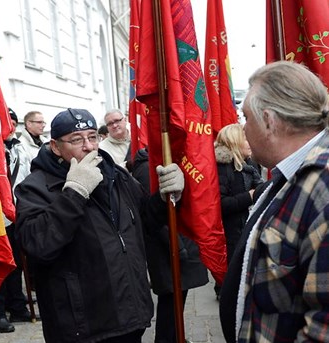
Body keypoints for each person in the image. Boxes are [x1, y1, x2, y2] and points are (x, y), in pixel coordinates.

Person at [15, 108, 185, 342]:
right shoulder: (36, 187)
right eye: (76, 140)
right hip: (83, 327)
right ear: (55, 146)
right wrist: (75, 192)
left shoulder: (116, 175)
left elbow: (145, 220)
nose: (88, 146)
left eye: (93, 136)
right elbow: (37, 244)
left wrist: (166, 198)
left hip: (130, 314)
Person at [219, 61, 329, 342]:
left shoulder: (323, 188)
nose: (242, 129)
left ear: (268, 120)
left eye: (245, 118)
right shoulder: (290, 174)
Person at [130, 147, 208, 343]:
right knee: (170, 306)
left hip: (177, 246)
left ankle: (174, 337)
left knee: (176, 304)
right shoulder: (148, 168)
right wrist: (179, 248)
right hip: (168, 250)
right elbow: (154, 214)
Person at [0, 108, 36, 333]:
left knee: (16, 263)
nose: (10, 128)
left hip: (17, 213)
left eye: (13, 123)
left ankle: (17, 305)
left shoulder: (19, 147)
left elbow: (26, 177)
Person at [214, 124, 263, 265]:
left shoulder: (249, 165)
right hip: (230, 238)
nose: (250, 143)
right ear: (234, 142)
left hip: (247, 232)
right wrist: (249, 197)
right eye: (246, 139)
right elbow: (220, 204)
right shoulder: (222, 167)